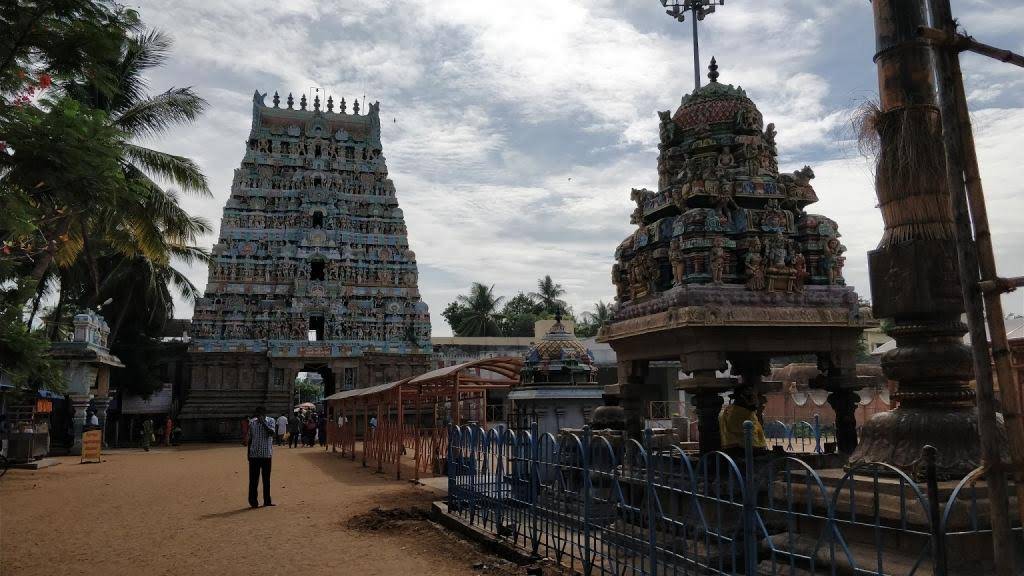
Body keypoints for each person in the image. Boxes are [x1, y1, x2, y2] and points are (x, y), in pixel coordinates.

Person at [719, 386, 768, 459]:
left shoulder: (730, 411)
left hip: (732, 451)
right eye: (754, 397)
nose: (757, 401)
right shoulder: (740, 414)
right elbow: (753, 444)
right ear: (743, 397)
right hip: (741, 452)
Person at [246, 406, 275, 508]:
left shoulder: (271, 421)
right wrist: (248, 454)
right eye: (258, 413)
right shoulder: (252, 423)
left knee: (266, 480)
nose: (259, 415)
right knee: (253, 480)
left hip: (266, 455)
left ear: (265, 413)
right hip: (254, 455)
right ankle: (253, 502)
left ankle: (267, 501)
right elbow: (250, 439)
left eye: (261, 413)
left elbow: (271, 433)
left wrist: (263, 423)